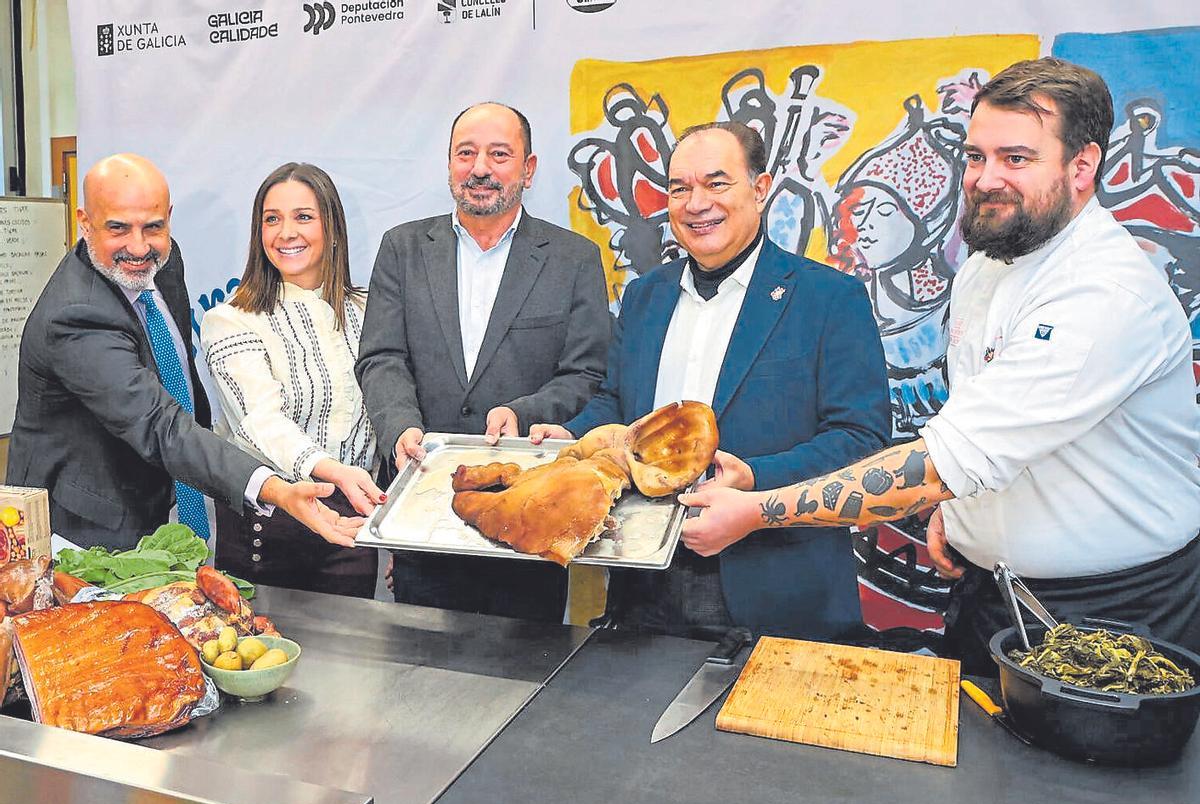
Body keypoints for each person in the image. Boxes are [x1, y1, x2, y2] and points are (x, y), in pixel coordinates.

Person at [679, 59, 1200, 672]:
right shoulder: (992, 258)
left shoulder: (1104, 293)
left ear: (1082, 166)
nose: (985, 179)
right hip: (992, 590)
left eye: (1016, 159)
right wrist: (965, 516)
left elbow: (941, 465)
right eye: (976, 157)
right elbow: (986, 425)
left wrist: (757, 510)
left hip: (1112, 608)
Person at [531, 121, 892, 640]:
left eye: (717, 183)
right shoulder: (644, 297)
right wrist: (572, 435)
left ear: (761, 189)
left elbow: (861, 441)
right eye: (680, 188)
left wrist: (753, 479)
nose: (696, 203)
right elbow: (617, 406)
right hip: (644, 576)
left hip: (774, 582)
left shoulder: (829, 299)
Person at [6, 154, 360, 553]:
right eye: (118, 228)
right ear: (85, 222)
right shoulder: (76, 316)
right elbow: (160, 424)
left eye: (153, 226)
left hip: (161, 504)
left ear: (168, 217)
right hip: (84, 529)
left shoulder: (165, 260)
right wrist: (276, 489)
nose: (139, 247)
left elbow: (178, 383)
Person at [356, 102, 610, 621]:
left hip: (530, 514)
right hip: (424, 505)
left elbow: (588, 373)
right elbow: (382, 356)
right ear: (449, 163)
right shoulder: (402, 249)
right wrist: (399, 425)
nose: (480, 169)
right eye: (466, 153)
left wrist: (526, 411)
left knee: (528, 676)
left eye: (499, 154)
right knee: (418, 676)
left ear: (529, 168)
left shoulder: (573, 258)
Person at [200, 163, 383, 597]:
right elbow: (261, 422)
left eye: (304, 216)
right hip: (268, 526)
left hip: (354, 526)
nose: (286, 233)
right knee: (261, 659)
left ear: (333, 227)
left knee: (355, 662)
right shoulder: (228, 320)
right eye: (272, 219)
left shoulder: (370, 310)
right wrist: (333, 471)